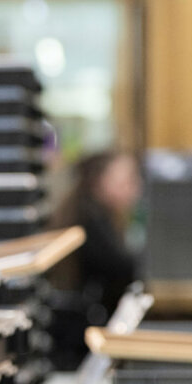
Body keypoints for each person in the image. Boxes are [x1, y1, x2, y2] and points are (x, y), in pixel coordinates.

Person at [47, 150, 144, 370]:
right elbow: (121, 269)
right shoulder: (89, 223)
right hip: (77, 350)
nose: (135, 188)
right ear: (100, 182)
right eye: (127, 180)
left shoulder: (93, 216)